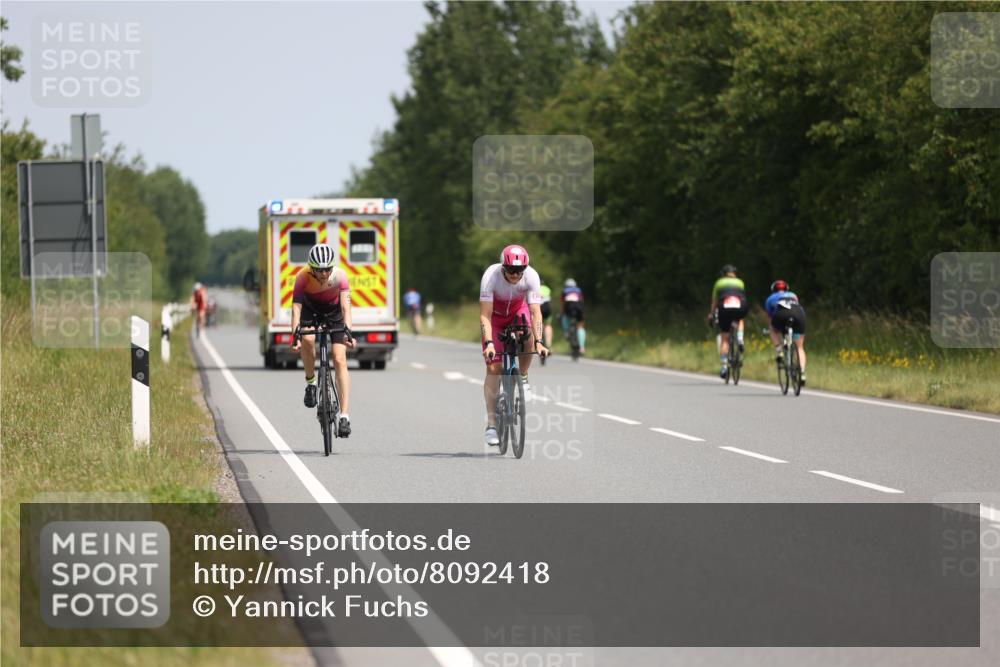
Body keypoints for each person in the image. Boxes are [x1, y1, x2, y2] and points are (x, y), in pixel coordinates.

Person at [479, 245, 549, 446]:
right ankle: (492, 424)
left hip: (519, 312)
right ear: (503, 267)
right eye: (511, 270)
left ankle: (524, 376)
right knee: (493, 368)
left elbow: (536, 312)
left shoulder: (531, 276)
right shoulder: (490, 277)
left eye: (520, 270)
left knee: (527, 334)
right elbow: (485, 315)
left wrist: (540, 342)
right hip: (495, 318)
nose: (516, 275)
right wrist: (490, 343)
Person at [290, 243, 356, 437]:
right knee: (308, 340)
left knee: (339, 358)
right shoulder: (302, 277)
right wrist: (295, 336)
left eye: (327, 269)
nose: (325, 273)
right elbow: (296, 309)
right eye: (320, 270)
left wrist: (349, 332)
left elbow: (346, 307)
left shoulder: (341, 276)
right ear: (312, 268)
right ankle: (311, 383)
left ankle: (344, 416)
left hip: (334, 311)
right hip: (311, 310)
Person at [707, 264, 748, 380]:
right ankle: (740, 339)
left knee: (725, 339)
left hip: (724, 308)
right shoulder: (740, 282)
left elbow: (714, 302)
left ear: (723, 274)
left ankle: (724, 367)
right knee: (739, 319)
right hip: (740, 306)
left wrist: (711, 314)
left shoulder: (719, 283)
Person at [764, 280, 807, 385]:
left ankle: (779, 350)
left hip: (781, 315)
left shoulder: (770, 299)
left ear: (773, 290)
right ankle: (802, 372)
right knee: (800, 347)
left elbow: (770, 317)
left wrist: (773, 328)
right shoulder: (793, 295)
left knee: (772, 329)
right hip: (798, 315)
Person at [561, 278, 586, 355]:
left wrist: (562, 313)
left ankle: (567, 332)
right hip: (579, 308)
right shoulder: (579, 290)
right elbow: (582, 302)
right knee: (580, 326)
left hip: (568, 308)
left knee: (564, 317)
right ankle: (582, 347)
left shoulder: (564, 291)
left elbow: (562, 303)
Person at [539, 283, 553, 364]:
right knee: (548, 325)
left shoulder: (531, 286)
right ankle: (548, 344)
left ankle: (537, 342)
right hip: (546, 307)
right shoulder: (546, 288)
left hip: (536, 306)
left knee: (536, 324)